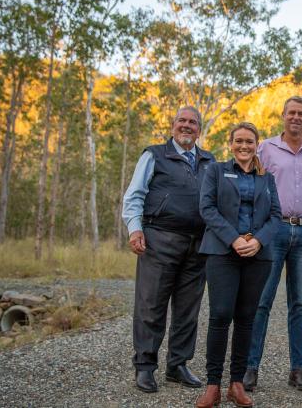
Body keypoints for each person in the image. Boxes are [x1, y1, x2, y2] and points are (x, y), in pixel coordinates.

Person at [122, 106, 215, 393]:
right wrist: (135, 228)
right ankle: (145, 367)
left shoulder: (210, 161)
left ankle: (177, 365)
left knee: (188, 309)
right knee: (151, 305)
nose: (186, 126)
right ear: (173, 125)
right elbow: (135, 194)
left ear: (199, 129)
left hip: (198, 244)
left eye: (192, 123)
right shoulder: (154, 155)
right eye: (181, 121)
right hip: (159, 239)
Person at [196, 122, 282, 408]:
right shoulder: (216, 171)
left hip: (257, 256)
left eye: (249, 142)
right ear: (230, 143)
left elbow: (276, 216)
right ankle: (212, 385)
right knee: (220, 315)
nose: (244, 146)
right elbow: (207, 208)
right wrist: (233, 239)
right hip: (222, 252)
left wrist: (258, 241)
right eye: (239, 141)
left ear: (257, 145)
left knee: (247, 318)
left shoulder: (266, 178)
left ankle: (236, 384)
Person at [244, 96, 302, 392]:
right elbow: (252, 185)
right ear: (283, 115)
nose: (295, 117)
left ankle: (298, 370)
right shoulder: (266, 148)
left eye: (300, 113)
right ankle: (249, 368)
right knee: (261, 301)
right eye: (291, 112)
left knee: (300, 304)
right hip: (272, 231)